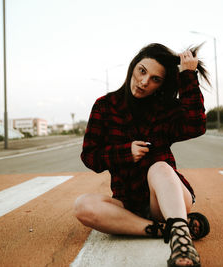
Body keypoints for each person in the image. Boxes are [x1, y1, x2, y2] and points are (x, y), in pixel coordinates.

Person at [74, 43, 210, 267]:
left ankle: (182, 243)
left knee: (158, 167)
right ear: (133, 67)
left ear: (161, 85)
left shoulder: (164, 109)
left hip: (168, 199)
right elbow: (90, 156)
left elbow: (196, 125)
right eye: (142, 71)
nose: (145, 81)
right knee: (83, 206)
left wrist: (188, 75)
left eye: (156, 79)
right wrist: (125, 153)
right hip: (128, 204)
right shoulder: (105, 107)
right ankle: (170, 229)